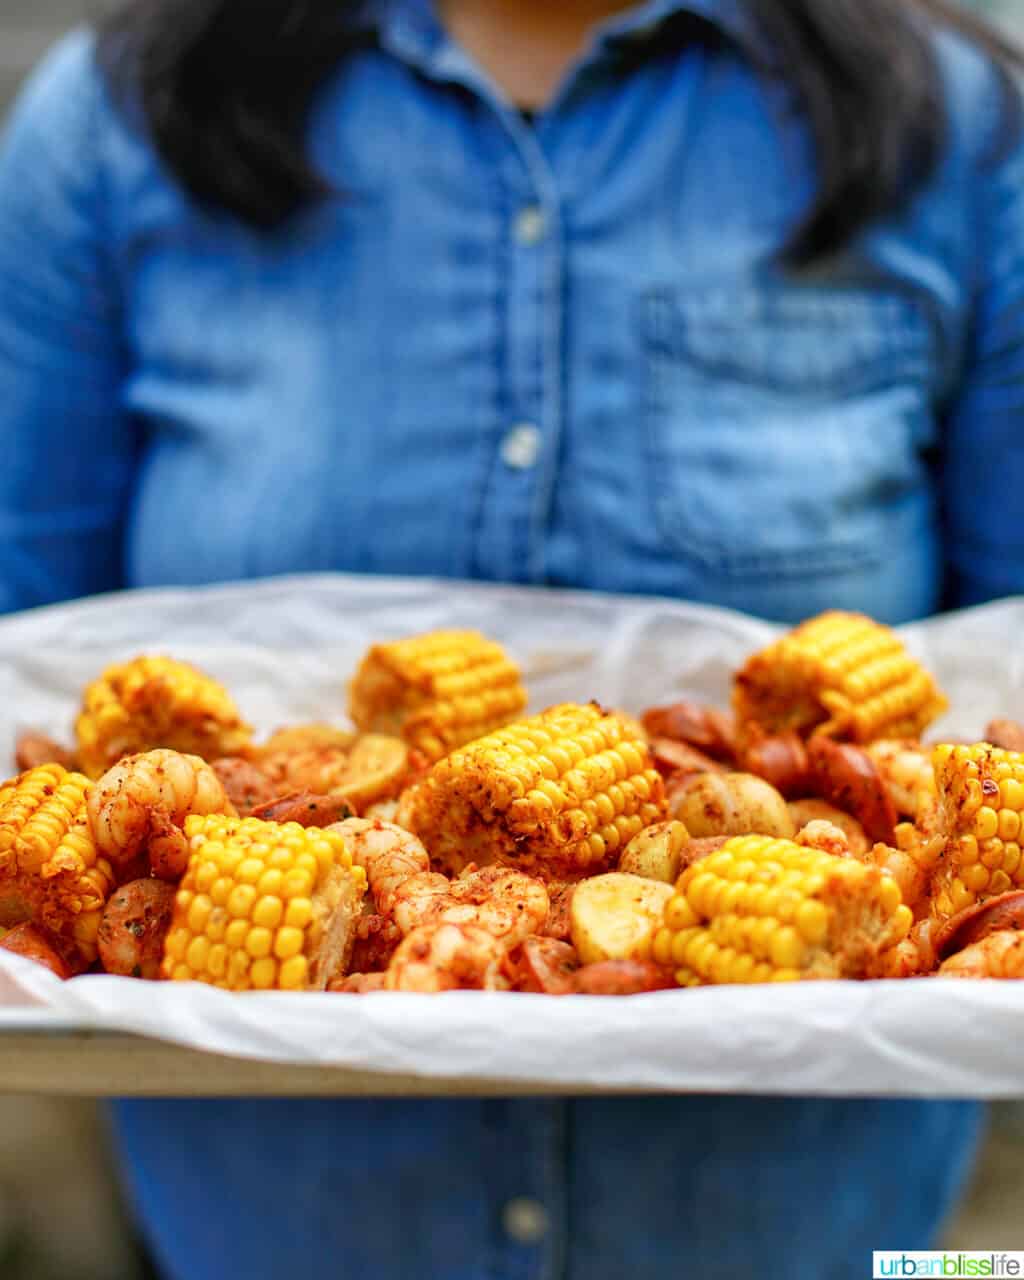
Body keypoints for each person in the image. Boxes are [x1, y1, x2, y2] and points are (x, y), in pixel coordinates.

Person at [0, 1, 1021, 1276]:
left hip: (834, 1233)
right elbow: (27, 629)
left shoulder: (959, 126)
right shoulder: (112, 122)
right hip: (267, 1231)